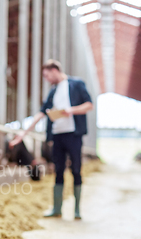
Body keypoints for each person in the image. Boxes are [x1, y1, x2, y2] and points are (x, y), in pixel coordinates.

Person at [9, 59, 93, 219]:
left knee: (76, 169)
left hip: (73, 135)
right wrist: (23, 134)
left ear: (55, 70)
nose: (46, 79)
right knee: (58, 170)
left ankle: (77, 210)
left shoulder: (76, 84)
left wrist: (71, 110)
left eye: (47, 75)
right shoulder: (53, 92)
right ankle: (57, 208)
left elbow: (89, 105)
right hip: (57, 136)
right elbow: (41, 113)